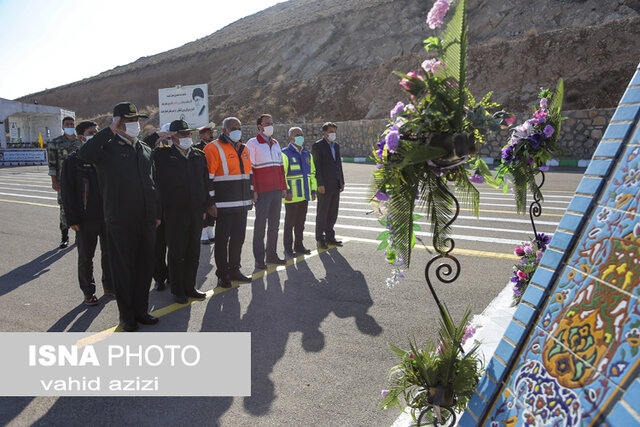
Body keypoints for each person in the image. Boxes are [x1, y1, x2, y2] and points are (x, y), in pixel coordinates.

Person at [78, 102, 160, 332]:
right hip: (120, 219)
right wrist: (109, 131)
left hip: (146, 218)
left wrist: (155, 214)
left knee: (145, 267)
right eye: (129, 120)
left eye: (137, 120)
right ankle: (127, 316)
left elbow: (152, 183)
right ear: (118, 122)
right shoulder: (106, 147)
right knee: (124, 269)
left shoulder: (143, 148)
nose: (135, 124)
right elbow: (84, 154)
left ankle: (141, 311)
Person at [153, 120, 210, 304]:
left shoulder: (198, 155)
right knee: (177, 252)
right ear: (173, 136)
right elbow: (145, 149)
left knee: (193, 251)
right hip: (173, 211)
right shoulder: (162, 155)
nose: (187, 137)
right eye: (182, 134)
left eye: (188, 134)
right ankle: (177, 290)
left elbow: (205, 182)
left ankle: (190, 286)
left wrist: (205, 207)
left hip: (195, 210)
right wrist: (159, 137)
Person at [60, 120, 114, 306]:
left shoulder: (105, 157)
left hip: (107, 216)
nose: (95, 135)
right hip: (84, 219)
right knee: (85, 257)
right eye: (92, 132)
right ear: (82, 137)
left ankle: (109, 285)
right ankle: (88, 292)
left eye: (97, 131)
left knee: (109, 253)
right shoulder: (73, 160)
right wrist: (72, 218)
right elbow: (66, 192)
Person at [203, 117, 253, 288]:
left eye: (239, 127)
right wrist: (210, 203)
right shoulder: (213, 148)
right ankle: (222, 274)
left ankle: (234, 270)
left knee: (239, 238)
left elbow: (249, 174)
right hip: (223, 205)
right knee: (222, 240)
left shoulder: (243, 148)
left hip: (242, 203)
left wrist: (252, 193)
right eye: (233, 128)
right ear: (224, 130)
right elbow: (208, 178)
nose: (237, 130)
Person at [246, 114, 287, 269]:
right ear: (260, 126)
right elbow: (251, 169)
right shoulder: (253, 143)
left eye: (271, 122)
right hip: (262, 192)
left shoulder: (276, 143)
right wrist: (254, 191)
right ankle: (259, 258)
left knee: (274, 225)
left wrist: (284, 187)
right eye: (267, 123)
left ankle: (272, 254)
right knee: (260, 226)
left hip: (276, 190)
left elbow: (281, 168)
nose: (270, 125)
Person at [143, 123, 172, 291]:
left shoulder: (179, 154)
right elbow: (144, 144)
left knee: (175, 246)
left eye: (169, 138)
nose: (166, 141)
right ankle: (160, 277)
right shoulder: (150, 154)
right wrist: (156, 136)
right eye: (164, 138)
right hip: (157, 208)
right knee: (158, 246)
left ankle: (173, 275)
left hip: (175, 207)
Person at [281, 127, 317, 257]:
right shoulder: (285, 153)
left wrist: (313, 190)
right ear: (291, 138)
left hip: (304, 196)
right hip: (292, 197)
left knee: (301, 223)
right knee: (289, 224)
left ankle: (299, 245)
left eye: (301, 134)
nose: (300, 137)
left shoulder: (307, 155)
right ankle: (288, 248)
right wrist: (287, 190)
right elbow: (282, 174)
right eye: (297, 135)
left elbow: (312, 174)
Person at [48, 116, 81, 248]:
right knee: (64, 208)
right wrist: (54, 181)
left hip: (79, 181)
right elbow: (52, 164)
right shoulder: (55, 143)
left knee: (80, 207)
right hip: (63, 182)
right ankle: (64, 237)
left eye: (72, 124)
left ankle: (79, 236)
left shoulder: (80, 142)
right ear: (62, 126)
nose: (70, 126)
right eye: (67, 124)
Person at [312, 122, 344, 249]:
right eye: (330, 131)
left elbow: (338, 165)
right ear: (324, 133)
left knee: (332, 213)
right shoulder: (318, 146)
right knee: (322, 213)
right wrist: (319, 183)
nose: (333, 134)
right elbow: (316, 166)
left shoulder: (336, 146)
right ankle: (320, 239)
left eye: (334, 132)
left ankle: (330, 237)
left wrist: (341, 181)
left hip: (335, 184)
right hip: (324, 185)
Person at [196, 123, 216, 245]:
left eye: (211, 133)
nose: (211, 135)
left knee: (213, 204)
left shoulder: (215, 146)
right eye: (209, 133)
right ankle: (203, 234)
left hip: (213, 179)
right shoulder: (197, 148)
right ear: (202, 135)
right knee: (204, 206)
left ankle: (210, 231)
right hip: (203, 180)